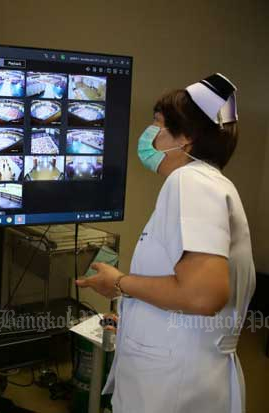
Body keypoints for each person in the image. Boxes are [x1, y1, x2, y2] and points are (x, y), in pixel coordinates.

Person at [76, 73, 255, 413]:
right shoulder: (214, 185)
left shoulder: (190, 182)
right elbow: (189, 288)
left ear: (185, 139)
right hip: (192, 369)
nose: (150, 135)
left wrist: (119, 283)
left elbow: (204, 294)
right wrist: (137, 314)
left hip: (173, 385)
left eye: (157, 125)